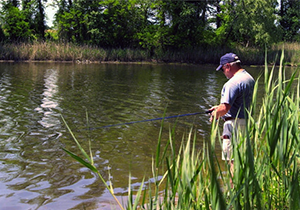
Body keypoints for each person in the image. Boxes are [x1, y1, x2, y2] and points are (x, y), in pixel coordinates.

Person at [209, 53, 255, 185]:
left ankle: (233, 193)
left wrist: (214, 114)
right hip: (245, 123)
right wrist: (218, 107)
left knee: (232, 161)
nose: (224, 73)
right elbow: (238, 101)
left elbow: (225, 109)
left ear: (228, 66)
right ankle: (243, 188)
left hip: (233, 125)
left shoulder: (232, 83)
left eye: (223, 69)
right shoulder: (249, 78)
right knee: (242, 159)